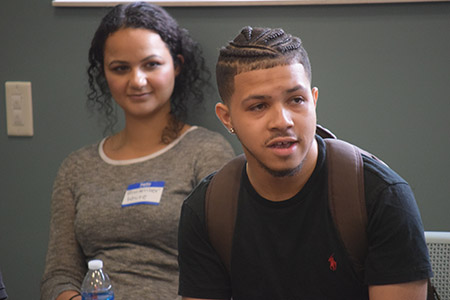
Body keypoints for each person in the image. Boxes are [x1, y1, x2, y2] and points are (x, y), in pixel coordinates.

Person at [177, 26, 433, 300]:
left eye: (296, 100)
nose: (282, 121)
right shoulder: (206, 209)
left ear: (314, 101)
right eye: (258, 106)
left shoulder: (380, 195)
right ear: (227, 118)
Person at [40, 3, 234, 300]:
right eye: (120, 68)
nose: (137, 80)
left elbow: (227, 267)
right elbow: (59, 275)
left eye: (151, 64)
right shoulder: (76, 167)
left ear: (177, 66)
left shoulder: (206, 152)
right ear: (104, 73)